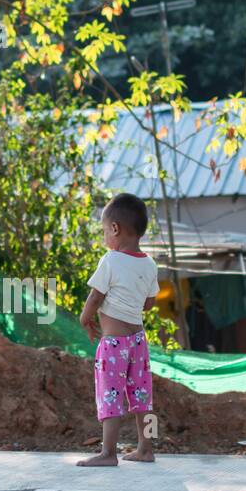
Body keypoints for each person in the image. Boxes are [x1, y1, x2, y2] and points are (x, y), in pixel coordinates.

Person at [76, 193, 159, 466]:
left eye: (104, 231)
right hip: (138, 341)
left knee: (110, 395)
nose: (104, 238)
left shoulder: (110, 260)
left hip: (114, 345)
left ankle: (108, 453)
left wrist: (85, 319)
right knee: (143, 397)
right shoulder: (149, 264)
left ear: (115, 229)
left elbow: (96, 296)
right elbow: (148, 304)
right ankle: (146, 449)